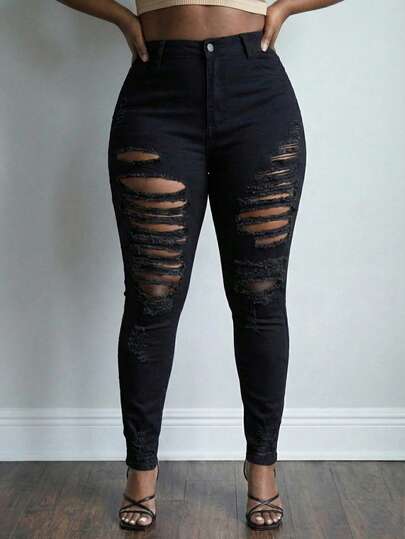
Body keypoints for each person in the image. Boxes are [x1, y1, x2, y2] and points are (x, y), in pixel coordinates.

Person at [58, 0, 343, 531]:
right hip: (158, 95)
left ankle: (262, 466)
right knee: (152, 297)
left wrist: (285, 7)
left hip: (256, 94)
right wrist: (123, 18)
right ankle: (141, 470)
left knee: (260, 295)